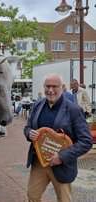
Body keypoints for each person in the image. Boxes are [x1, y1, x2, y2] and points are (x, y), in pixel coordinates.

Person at [24, 73, 93, 201]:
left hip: (62, 165)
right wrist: (29, 133)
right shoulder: (38, 105)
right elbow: (28, 127)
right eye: (47, 86)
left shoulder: (73, 109)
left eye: (54, 86)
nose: (50, 90)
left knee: (64, 199)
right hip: (39, 162)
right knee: (32, 196)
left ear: (62, 87)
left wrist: (61, 157)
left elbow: (86, 141)